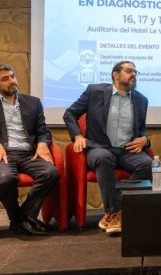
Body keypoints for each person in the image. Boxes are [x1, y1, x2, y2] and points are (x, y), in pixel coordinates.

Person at [0, 63, 59, 236]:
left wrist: (42, 143)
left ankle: (20, 219)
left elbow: (43, 131)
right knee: (5, 179)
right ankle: (22, 220)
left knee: (51, 173)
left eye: (12, 76)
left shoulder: (33, 102)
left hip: (29, 154)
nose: (12, 81)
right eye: (5, 79)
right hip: (3, 155)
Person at [63, 61, 151, 236]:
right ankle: (114, 211)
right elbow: (70, 114)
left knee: (147, 164)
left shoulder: (141, 100)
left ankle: (122, 210)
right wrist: (78, 136)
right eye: (129, 71)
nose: (133, 74)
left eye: (135, 72)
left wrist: (145, 140)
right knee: (104, 158)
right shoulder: (94, 91)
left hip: (127, 150)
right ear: (115, 75)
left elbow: (141, 130)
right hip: (99, 147)